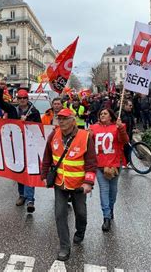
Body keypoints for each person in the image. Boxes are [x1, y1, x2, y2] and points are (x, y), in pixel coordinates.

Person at [41, 108, 97, 261]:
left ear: (73, 121)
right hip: (60, 183)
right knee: (60, 214)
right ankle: (64, 247)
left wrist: (88, 182)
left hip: (79, 185)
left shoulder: (85, 137)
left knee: (81, 214)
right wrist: (44, 175)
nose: (62, 121)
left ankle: (80, 232)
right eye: (59, 119)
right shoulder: (53, 135)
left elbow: (91, 163)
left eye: (65, 119)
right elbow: (47, 157)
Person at [0, 81, 41, 213]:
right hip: (16, 146)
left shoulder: (34, 112)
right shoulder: (12, 110)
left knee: (29, 171)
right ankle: (22, 195)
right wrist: (0, 89)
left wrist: (26, 122)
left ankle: (30, 199)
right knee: (19, 171)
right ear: (17, 99)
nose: (22, 100)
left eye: (24, 98)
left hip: (30, 146)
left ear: (27, 99)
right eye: (20, 98)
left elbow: (38, 129)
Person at [89, 108, 129, 232]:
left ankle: (110, 208)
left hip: (115, 165)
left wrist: (121, 127)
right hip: (100, 165)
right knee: (104, 191)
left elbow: (125, 141)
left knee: (113, 191)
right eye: (101, 113)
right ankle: (106, 217)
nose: (102, 115)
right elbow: (86, 140)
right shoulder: (93, 127)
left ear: (111, 116)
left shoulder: (117, 127)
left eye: (105, 113)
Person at [120, 100, 135, 168]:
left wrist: (134, 128)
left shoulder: (130, 113)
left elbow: (132, 123)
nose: (131, 107)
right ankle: (123, 163)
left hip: (129, 134)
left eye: (131, 105)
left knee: (128, 149)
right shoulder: (120, 113)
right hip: (123, 135)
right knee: (124, 149)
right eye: (129, 105)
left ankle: (128, 162)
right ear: (125, 105)